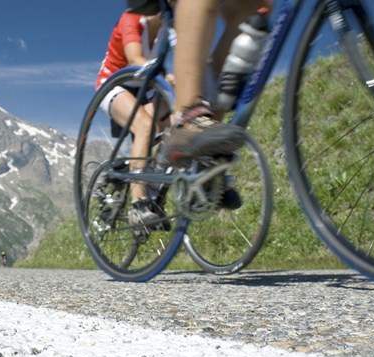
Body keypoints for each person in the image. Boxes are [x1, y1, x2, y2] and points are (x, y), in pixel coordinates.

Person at [127, 0, 270, 209]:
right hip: (118, 85)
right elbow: (133, 58)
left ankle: (205, 151)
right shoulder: (132, 23)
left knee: (255, 5)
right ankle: (187, 122)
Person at [96, 8, 175, 226]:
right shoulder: (131, 18)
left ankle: (153, 186)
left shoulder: (168, 26)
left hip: (146, 85)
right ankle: (138, 204)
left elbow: (167, 56)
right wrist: (165, 78)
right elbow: (134, 58)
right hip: (114, 82)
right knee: (144, 125)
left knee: (175, 128)